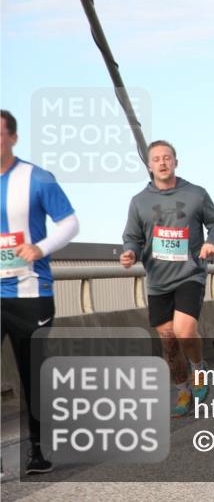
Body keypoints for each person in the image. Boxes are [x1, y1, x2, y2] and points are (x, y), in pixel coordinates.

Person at [121, 140, 214, 418]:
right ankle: (182, 390)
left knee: (184, 331)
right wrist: (130, 253)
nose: (163, 163)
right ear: (149, 166)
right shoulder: (139, 202)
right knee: (168, 340)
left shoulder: (196, 194)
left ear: (176, 162)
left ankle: (199, 371)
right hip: (157, 280)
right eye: (156, 159)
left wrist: (211, 242)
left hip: (190, 273)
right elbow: (132, 237)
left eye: (167, 158)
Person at [1, 110, 80, 474]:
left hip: (31, 294)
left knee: (32, 375)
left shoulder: (36, 178)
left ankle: (37, 450)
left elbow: (70, 222)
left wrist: (41, 248)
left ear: (13, 138)